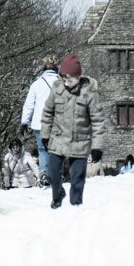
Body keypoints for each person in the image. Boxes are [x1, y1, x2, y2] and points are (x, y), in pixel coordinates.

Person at [40, 53, 107, 208]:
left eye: (70, 80)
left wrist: (97, 147)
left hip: (80, 141)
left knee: (77, 177)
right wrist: (45, 135)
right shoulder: (57, 89)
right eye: (64, 79)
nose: (67, 83)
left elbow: (98, 122)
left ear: (79, 76)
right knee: (53, 170)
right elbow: (47, 112)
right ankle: (57, 195)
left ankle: (76, 204)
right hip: (58, 138)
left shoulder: (90, 94)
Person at [20, 56, 60, 187]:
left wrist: (24, 122)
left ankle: (43, 172)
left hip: (40, 123)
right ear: (56, 69)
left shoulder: (36, 84)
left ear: (43, 69)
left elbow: (29, 104)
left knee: (42, 149)